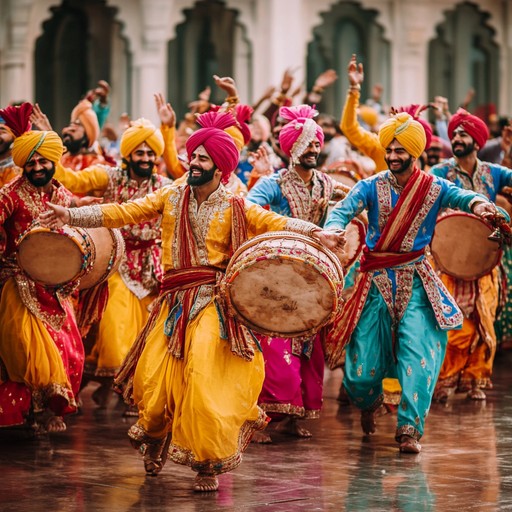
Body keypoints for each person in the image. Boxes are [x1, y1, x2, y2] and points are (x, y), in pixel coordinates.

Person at [41, 110, 344, 491]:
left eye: (201, 158)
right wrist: (70, 214)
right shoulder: (172, 193)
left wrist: (317, 233)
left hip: (212, 305)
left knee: (203, 381)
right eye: (193, 156)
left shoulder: (234, 203)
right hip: (172, 302)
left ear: (219, 167)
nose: (193, 162)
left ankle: (207, 463)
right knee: (155, 390)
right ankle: (154, 440)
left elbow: (271, 222)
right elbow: (122, 212)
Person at [324, 112, 499, 453]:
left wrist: (481, 204)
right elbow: (343, 210)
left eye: (399, 151)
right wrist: (332, 229)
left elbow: (464, 199)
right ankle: (370, 402)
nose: (392, 156)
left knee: (419, 356)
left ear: (414, 152)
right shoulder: (371, 186)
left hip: (417, 281)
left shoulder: (435, 187)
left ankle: (409, 429)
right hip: (374, 283)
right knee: (360, 374)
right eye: (389, 150)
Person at [246, 104, 350, 442]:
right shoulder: (273, 183)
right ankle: (260, 418)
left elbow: (353, 199)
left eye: (317, 144)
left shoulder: (325, 183)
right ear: (291, 148)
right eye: (306, 145)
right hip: (277, 274)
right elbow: (248, 205)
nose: (313, 150)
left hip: (313, 277)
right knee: (274, 347)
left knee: (309, 346)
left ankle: (295, 415)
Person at [53, 112, 172, 409]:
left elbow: (188, 173)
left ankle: (124, 393)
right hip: (114, 260)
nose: (145, 158)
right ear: (128, 155)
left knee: (148, 335)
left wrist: (168, 130)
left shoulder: (165, 184)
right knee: (114, 333)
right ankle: (116, 388)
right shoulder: (108, 175)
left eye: (149, 152)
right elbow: (70, 178)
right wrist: (52, 147)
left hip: (151, 266)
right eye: (139, 152)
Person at [0, 102, 84, 433]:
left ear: (53, 162)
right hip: (17, 283)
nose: (37, 166)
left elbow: (80, 235)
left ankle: (52, 410)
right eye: (30, 161)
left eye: (43, 161)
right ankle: (31, 410)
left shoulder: (63, 197)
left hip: (56, 285)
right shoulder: (9, 195)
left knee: (69, 349)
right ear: (23, 164)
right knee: (25, 347)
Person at [429, 109, 512, 401]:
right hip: (450, 261)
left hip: (486, 262)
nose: (456, 138)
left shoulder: (493, 173)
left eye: (463, 134)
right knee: (453, 322)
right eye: (454, 134)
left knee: (483, 320)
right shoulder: (440, 172)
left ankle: (476, 378)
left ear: (477, 141)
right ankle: (445, 379)